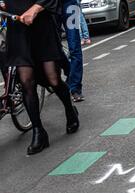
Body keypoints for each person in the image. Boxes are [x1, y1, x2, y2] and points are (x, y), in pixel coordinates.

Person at [2, 0, 80, 155]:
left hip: (42, 27)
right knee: (26, 82)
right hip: (17, 28)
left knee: (53, 80)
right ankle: (38, 131)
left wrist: (35, 9)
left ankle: (70, 109)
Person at [61, 0, 85, 102]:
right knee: (54, 47)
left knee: (74, 47)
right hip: (50, 6)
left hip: (70, 4)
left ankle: (75, 88)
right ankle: (69, 72)